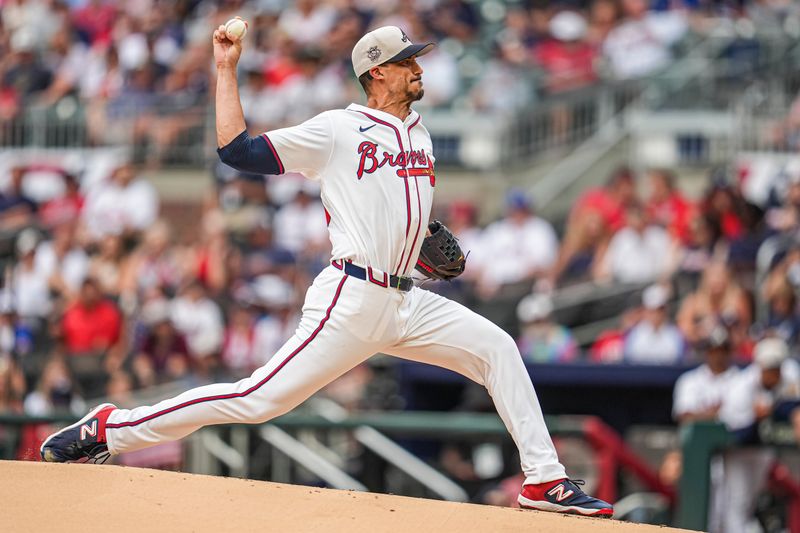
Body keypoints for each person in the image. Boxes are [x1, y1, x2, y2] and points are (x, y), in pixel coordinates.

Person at [40, 23, 612, 517]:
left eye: (415, 59)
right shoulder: (338, 129)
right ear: (377, 74)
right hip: (352, 296)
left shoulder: (422, 134)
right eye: (406, 61)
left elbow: (401, 217)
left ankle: (543, 478)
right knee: (258, 399)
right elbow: (236, 150)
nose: (418, 68)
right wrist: (225, 69)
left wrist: (423, 245)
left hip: (406, 300)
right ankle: (109, 428)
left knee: (498, 348)